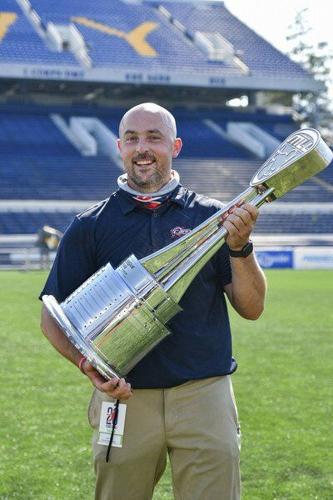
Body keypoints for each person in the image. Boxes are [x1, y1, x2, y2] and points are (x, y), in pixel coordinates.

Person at [40, 102, 266, 500]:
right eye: (132, 139)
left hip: (204, 394)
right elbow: (51, 315)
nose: (142, 148)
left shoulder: (214, 217)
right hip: (125, 398)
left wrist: (240, 247)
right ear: (119, 148)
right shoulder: (89, 225)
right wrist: (85, 364)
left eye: (154, 137)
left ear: (175, 146)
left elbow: (251, 307)